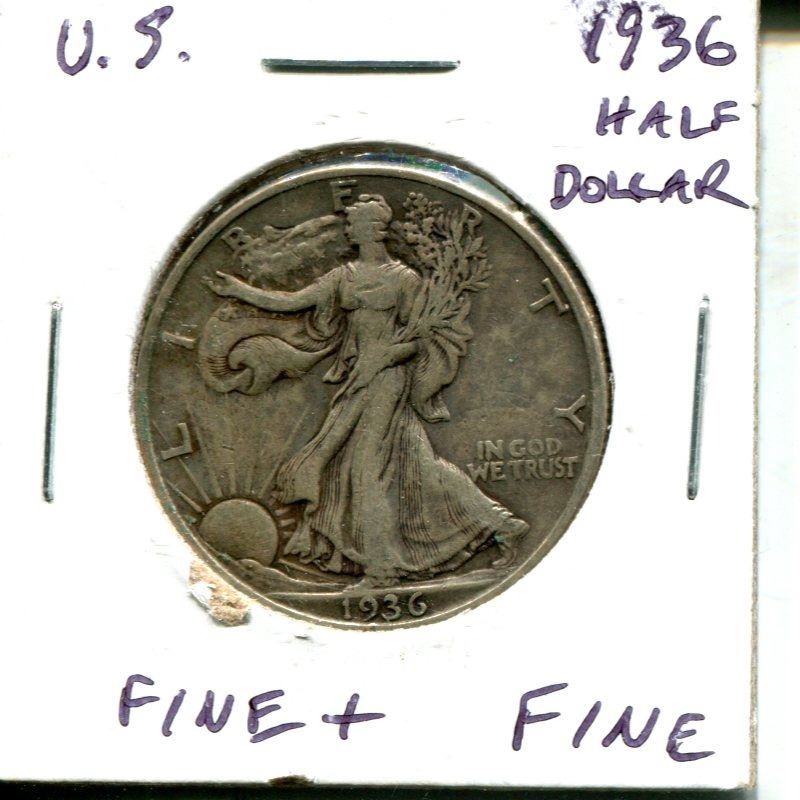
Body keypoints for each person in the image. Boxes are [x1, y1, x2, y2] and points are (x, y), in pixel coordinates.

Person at [205, 194, 528, 585]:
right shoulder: (344, 276)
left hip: (388, 379)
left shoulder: (404, 279)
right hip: (357, 379)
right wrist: (239, 291)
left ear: (374, 229)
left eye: (354, 223)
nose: (348, 228)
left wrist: (390, 355)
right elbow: (293, 302)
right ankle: (501, 524)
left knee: (366, 470)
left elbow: (422, 338)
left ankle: (381, 569)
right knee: (415, 464)